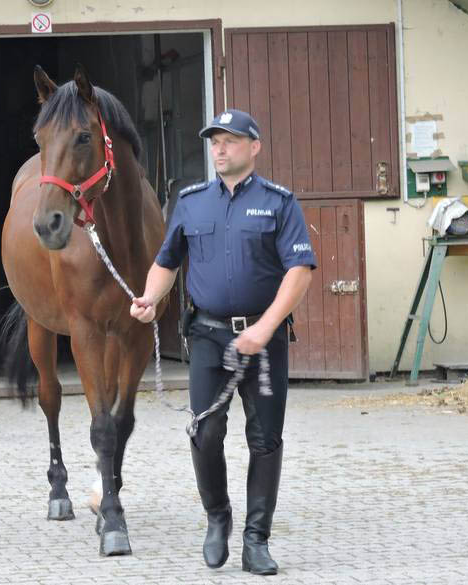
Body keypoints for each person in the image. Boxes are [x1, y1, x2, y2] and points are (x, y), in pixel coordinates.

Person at [130, 109, 316, 575]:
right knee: (205, 433)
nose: (219, 148)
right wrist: (151, 297)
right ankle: (218, 517)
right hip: (209, 338)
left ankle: (257, 540)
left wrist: (266, 327)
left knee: (265, 440)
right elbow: (167, 261)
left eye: (230, 140)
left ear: (254, 147)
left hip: (264, 342)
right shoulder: (191, 202)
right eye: (214, 140)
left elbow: (299, 271)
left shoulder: (279, 203)